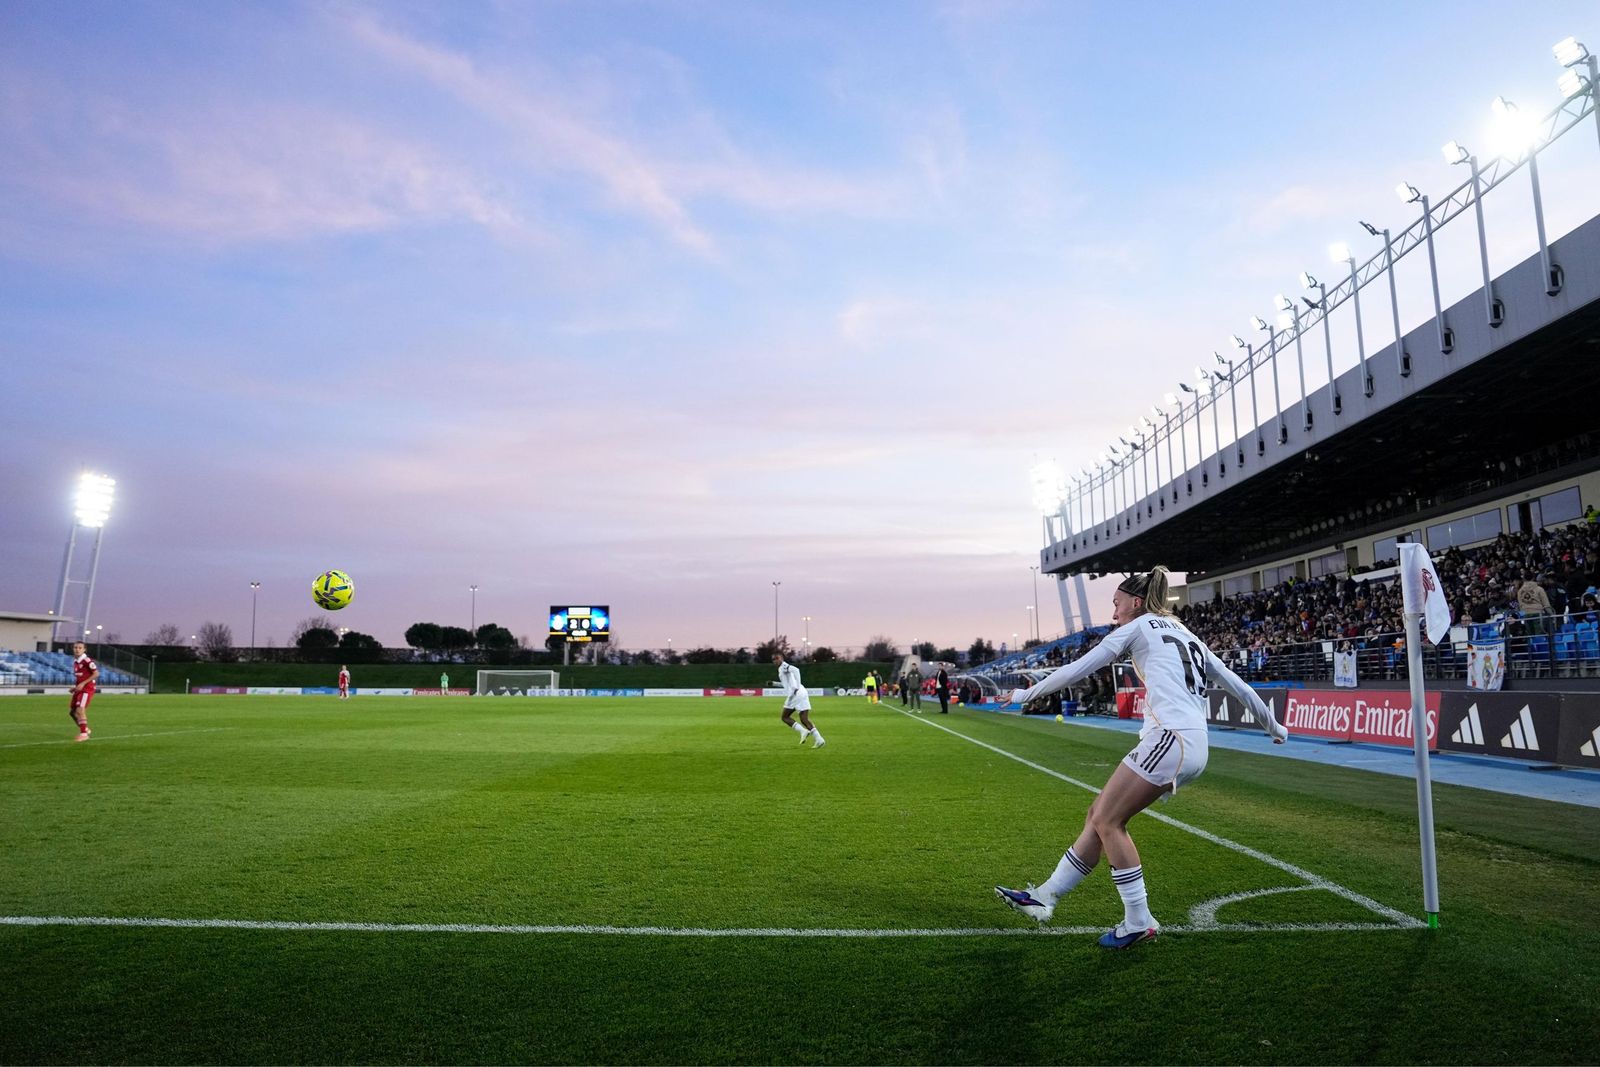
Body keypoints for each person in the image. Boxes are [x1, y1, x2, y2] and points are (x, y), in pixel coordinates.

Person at [994, 567, 1288, 949]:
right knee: (1097, 814)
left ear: (1135, 602)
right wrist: (1275, 727)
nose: (1113, 612)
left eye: (1116, 604)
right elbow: (1237, 684)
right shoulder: (1187, 634)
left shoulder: (1135, 628)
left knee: (1109, 821)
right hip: (1193, 741)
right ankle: (1045, 895)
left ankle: (1138, 919)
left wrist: (1023, 696)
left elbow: (1078, 668)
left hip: (1170, 737)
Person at [774, 651, 825, 748]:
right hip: (803, 692)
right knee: (804, 719)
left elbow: (796, 670)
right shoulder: (781, 669)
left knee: (784, 717)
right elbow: (787, 683)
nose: (775, 661)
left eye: (777, 658)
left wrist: (797, 686)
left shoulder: (784, 666)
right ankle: (819, 739)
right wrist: (775, 684)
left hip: (795, 694)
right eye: (774, 659)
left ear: (782, 658)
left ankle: (803, 731)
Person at [69, 640, 96, 741]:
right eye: (75, 647)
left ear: (84, 649)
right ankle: (85, 729)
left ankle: (84, 734)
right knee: (72, 712)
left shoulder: (87, 661)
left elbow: (96, 673)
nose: (77, 649)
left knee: (80, 709)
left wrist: (83, 684)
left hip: (87, 689)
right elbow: (80, 677)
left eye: (80, 648)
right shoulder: (76, 662)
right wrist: (75, 688)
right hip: (79, 689)